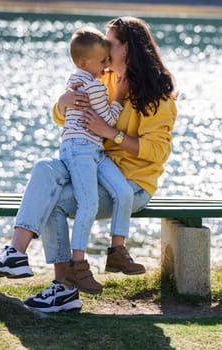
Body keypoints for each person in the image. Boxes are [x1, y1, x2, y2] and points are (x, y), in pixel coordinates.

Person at [0, 16, 177, 313]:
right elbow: (65, 117)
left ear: (128, 49)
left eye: (109, 43)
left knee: (54, 200)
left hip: (130, 185)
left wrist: (112, 133)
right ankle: (16, 253)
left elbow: (158, 152)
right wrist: (63, 102)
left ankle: (64, 289)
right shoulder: (102, 77)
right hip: (93, 163)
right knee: (45, 168)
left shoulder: (156, 95)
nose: (103, 47)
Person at [58, 26, 133, 295]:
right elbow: (109, 122)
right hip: (82, 150)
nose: (106, 66)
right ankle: (78, 266)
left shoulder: (73, 80)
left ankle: (116, 251)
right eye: (103, 61)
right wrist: (120, 97)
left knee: (124, 192)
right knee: (88, 204)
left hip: (91, 150)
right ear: (84, 63)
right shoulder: (95, 87)